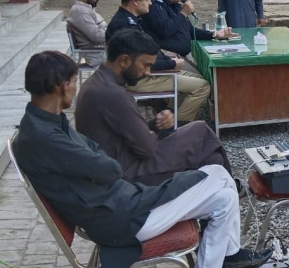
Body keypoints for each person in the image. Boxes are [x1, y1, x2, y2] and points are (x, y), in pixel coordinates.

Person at [13, 51, 272, 268]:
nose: (74, 88)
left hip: (119, 204)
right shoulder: (44, 138)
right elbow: (108, 168)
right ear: (62, 86)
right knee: (221, 188)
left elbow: (96, 154)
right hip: (122, 219)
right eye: (72, 82)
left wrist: (99, 160)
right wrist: (101, 160)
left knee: (220, 182)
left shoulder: (42, 125)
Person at [76, 30, 235, 187]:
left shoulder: (96, 83)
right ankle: (234, 187)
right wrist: (154, 133)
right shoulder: (113, 94)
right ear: (124, 60)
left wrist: (155, 124)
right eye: (145, 66)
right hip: (128, 173)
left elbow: (125, 132)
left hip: (119, 164)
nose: (147, 73)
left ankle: (228, 190)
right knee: (200, 131)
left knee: (213, 159)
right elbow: (147, 148)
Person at [106, 0, 211, 124]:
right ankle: (177, 125)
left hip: (155, 70)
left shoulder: (131, 19)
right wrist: (171, 63)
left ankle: (166, 115)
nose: (150, 3)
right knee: (203, 86)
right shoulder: (124, 25)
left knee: (199, 78)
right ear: (135, 2)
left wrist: (169, 61)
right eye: (147, 0)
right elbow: (137, 63)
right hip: (140, 78)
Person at [143, 0, 231, 59]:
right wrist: (184, 13)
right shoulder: (155, 6)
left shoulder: (176, 6)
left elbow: (190, 31)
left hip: (182, 56)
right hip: (167, 58)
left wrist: (215, 34)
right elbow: (165, 30)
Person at [67, 0, 107, 66]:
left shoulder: (85, 9)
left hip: (101, 50)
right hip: (98, 54)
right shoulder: (81, 12)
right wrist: (114, 35)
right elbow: (96, 36)